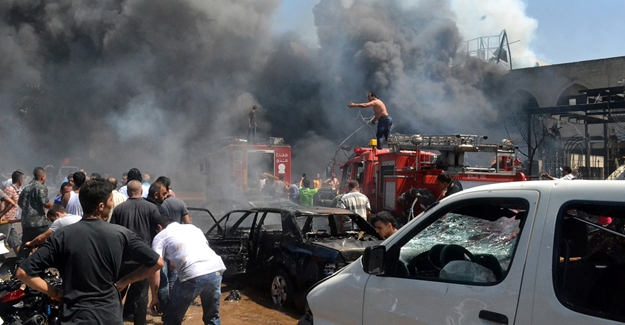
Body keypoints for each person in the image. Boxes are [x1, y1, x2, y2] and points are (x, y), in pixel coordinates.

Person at [16, 179, 164, 324]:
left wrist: (55, 293)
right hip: (109, 316)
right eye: (111, 200)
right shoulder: (122, 234)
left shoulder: (61, 236)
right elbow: (157, 262)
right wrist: (124, 281)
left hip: (74, 316)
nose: (112, 204)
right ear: (101, 206)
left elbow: (23, 273)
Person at [149, 215, 225, 325]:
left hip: (192, 274)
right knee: (212, 317)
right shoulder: (193, 228)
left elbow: (155, 267)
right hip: (216, 269)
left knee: (172, 318)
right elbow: (203, 247)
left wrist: (154, 296)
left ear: (159, 227)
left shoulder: (160, 236)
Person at [111, 180, 160, 325]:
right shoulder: (151, 208)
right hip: (143, 259)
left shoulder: (119, 209)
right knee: (141, 295)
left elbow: (113, 233)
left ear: (127, 191)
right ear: (141, 191)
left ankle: (114, 320)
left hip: (123, 258)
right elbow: (158, 230)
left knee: (117, 292)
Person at [17, 167, 53, 263]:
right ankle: (43, 264)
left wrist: (27, 210)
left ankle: (20, 264)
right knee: (46, 244)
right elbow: (45, 203)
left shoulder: (26, 187)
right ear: (42, 177)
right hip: (39, 223)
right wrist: (56, 207)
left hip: (26, 222)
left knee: (26, 244)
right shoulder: (41, 187)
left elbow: (20, 202)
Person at [1, 170, 24, 255]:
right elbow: (3, 202)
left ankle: (20, 261)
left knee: (15, 241)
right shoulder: (10, 189)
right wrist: (1, 216)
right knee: (2, 243)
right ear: (20, 180)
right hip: (6, 221)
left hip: (12, 221)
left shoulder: (17, 190)